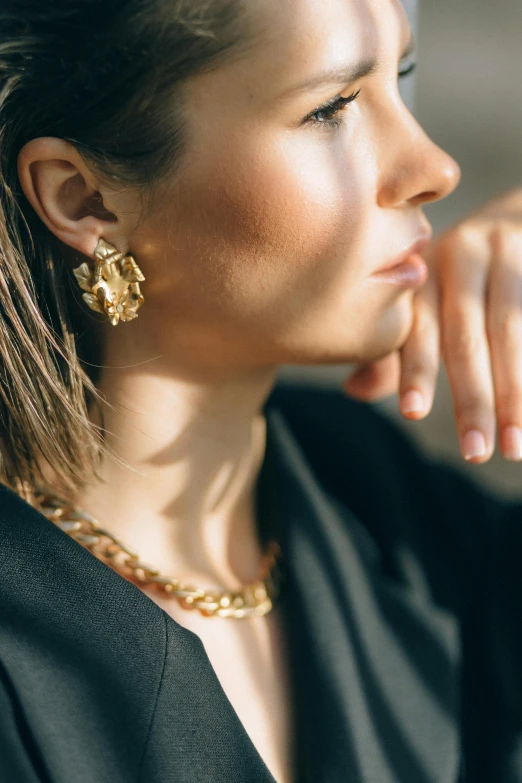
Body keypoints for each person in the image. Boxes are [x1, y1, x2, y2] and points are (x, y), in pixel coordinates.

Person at [0, 1, 521, 782]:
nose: (434, 167)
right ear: (87, 200)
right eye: (331, 108)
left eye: (400, 77)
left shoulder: (400, 522)